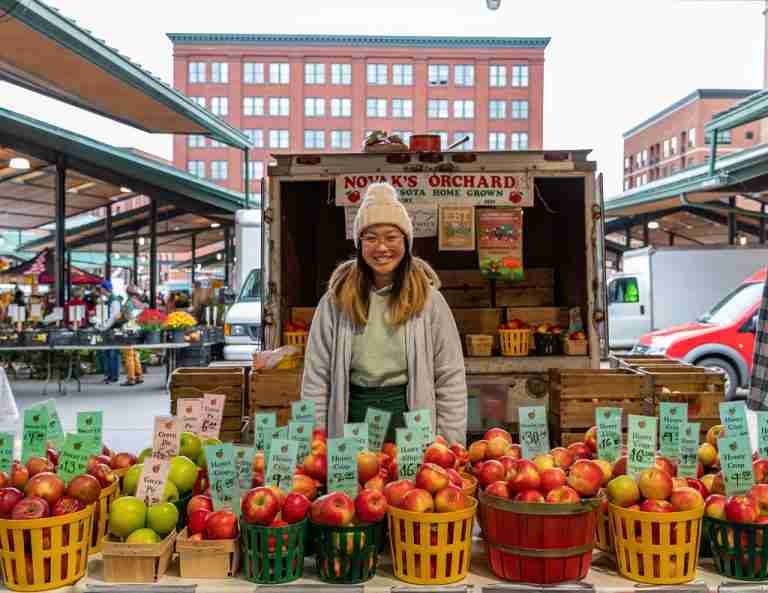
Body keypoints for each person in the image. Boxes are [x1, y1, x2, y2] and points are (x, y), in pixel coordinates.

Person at [300, 183, 468, 444]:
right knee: (355, 485)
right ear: (359, 244)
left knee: (411, 485)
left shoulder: (429, 300)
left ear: (406, 242)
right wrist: (317, 438)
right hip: (353, 415)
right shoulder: (335, 301)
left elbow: (450, 376)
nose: (382, 248)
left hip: (410, 414)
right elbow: (316, 378)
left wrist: (448, 441)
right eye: (371, 238)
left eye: (391, 237)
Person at [120, 284, 146, 386]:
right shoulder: (139, 303)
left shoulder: (129, 303)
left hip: (129, 330)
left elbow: (128, 317)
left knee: (129, 354)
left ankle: (131, 378)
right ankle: (139, 375)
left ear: (127, 293)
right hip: (138, 330)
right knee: (135, 353)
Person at [98, 281, 122, 384]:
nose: (100, 290)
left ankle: (114, 376)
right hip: (109, 329)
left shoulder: (114, 300)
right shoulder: (109, 299)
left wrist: (104, 327)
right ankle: (109, 375)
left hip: (112, 330)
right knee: (107, 352)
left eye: (101, 288)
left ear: (105, 289)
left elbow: (113, 317)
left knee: (113, 353)